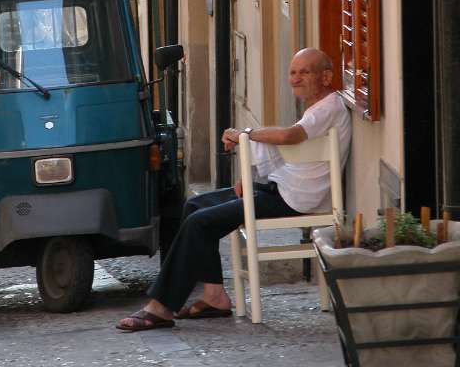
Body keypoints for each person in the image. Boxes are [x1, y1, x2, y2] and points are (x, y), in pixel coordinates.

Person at [116, 47, 351, 332]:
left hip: (295, 198)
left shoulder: (330, 106)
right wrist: (250, 162)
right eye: (292, 72)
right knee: (195, 205)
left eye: (305, 72)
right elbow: (291, 143)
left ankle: (161, 306)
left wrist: (246, 136)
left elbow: (290, 136)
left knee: (198, 222)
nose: (296, 79)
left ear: (326, 77)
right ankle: (215, 296)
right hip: (283, 187)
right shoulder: (319, 107)